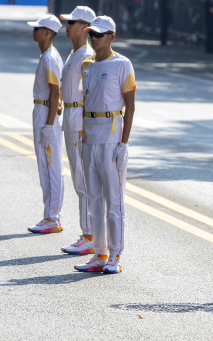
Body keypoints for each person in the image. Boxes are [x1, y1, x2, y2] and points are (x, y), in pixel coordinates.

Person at [74, 16, 136, 274]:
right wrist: (82, 133)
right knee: (94, 199)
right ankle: (100, 252)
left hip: (111, 136)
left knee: (113, 199)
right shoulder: (86, 65)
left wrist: (124, 143)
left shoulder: (122, 64)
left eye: (99, 34)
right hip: (90, 136)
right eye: (91, 34)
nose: (94, 38)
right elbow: (86, 101)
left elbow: (130, 105)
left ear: (111, 36)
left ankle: (116, 254)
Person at [59, 6, 96, 254]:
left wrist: (84, 125)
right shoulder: (74, 53)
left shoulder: (87, 56)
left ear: (85, 27)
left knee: (83, 179)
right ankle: (88, 232)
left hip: (78, 116)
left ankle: (89, 235)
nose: (67, 25)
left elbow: (90, 94)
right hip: (70, 114)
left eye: (72, 22)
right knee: (78, 178)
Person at [27, 15, 65, 234]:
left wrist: (49, 125)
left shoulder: (50, 58)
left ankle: (52, 217)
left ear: (48, 33)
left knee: (51, 167)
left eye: (38, 29)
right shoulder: (46, 56)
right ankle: (49, 215)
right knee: (45, 165)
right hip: (41, 110)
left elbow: (55, 92)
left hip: (46, 113)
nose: (34, 32)